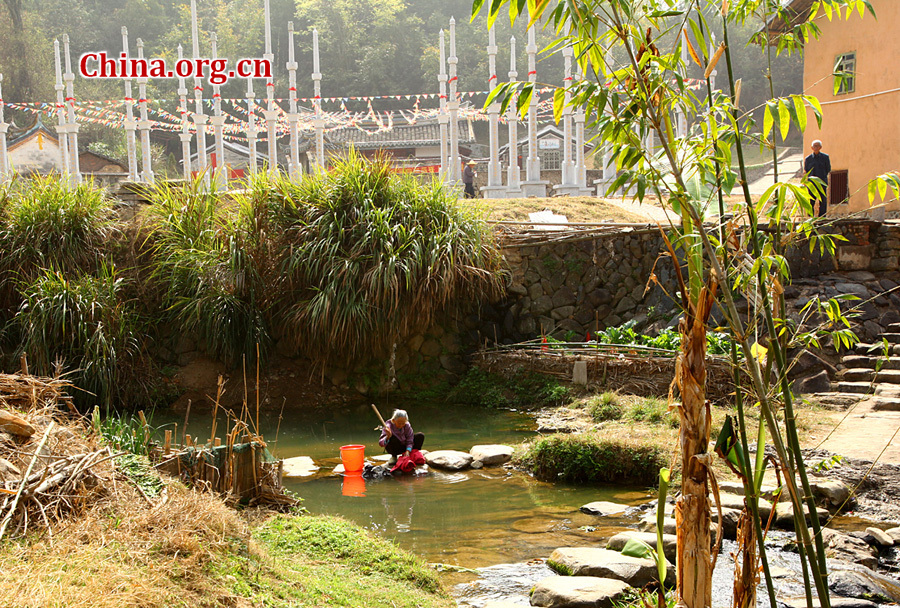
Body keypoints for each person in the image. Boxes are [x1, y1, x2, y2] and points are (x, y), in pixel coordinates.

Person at [804, 140, 831, 217]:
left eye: (817, 146)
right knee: (811, 200)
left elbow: (828, 169)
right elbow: (807, 170)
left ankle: (822, 217)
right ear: (812, 148)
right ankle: (810, 217)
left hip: (822, 182)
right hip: (811, 183)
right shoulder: (808, 159)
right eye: (814, 146)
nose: (816, 147)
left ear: (820, 147)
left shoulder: (825, 157)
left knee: (823, 200)